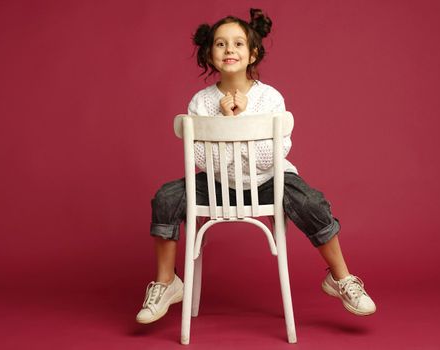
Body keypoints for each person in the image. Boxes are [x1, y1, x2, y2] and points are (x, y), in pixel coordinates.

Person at [136, 8, 376, 324]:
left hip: (268, 178)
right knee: (167, 196)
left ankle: (340, 277)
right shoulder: (200, 102)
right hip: (218, 181)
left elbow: (269, 159)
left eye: (238, 44)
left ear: (253, 54)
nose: (229, 50)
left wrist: (242, 117)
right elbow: (202, 162)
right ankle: (167, 283)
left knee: (311, 201)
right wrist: (224, 118)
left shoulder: (270, 99)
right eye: (220, 44)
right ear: (209, 54)